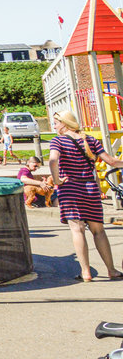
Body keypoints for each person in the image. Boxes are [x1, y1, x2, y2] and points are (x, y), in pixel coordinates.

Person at [48, 110, 123, 282]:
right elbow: (111, 161)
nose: (54, 126)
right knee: (99, 231)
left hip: (70, 188)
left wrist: (57, 180)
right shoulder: (90, 140)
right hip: (90, 188)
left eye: (56, 123)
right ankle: (112, 270)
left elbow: (53, 160)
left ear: (64, 123)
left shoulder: (58, 141)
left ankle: (86, 272)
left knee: (78, 229)